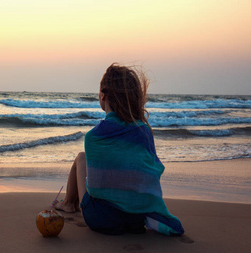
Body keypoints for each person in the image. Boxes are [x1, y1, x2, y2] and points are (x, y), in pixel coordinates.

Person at [54, 63, 184, 236]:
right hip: (137, 218)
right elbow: (149, 173)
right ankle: (78, 204)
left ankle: (69, 204)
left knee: (81, 158)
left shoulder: (94, 137)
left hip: (100, 220)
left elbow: (93, 188)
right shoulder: (143, 132)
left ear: (103, 96)